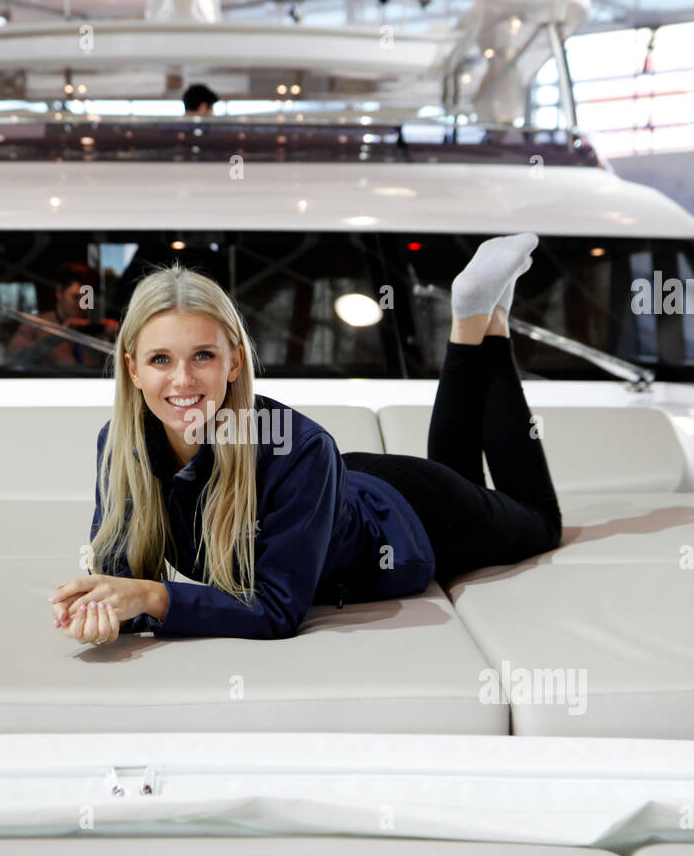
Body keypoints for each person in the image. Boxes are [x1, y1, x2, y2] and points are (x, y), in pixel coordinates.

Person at [48, 235, 562, 645]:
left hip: (416, 515)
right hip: (335, 485)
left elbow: (276, 610)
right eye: (161, 359)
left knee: (538, 520)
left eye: (203, 355)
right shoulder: (121, 444)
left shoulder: (296, 447)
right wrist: (98, 610)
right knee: (466, 474)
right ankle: (480, 316)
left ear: (234, 363)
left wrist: (154, 599)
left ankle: (483, 321)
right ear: (133, 370)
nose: (182, 381)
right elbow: (120, 575)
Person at [5, 261, 118, 367]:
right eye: (75, 297)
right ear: (59, 292)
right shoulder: (35, 325)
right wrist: (59, 335)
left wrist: (116, 336)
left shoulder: (95, 329)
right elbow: (12, 360)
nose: (81, 305)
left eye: (86, 299)